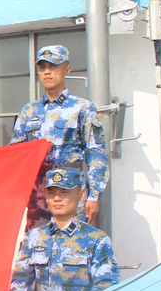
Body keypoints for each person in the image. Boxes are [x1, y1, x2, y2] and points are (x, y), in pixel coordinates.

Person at [9, 45, 109, 232]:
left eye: (53, 66)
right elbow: (15, 154)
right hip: (39, 194)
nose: (47, 72)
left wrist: (95, 195)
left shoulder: (82, 108)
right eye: (42, 67)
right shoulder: (29, 111)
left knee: (72, 250)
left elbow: (96, 154)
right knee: (39, 250)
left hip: (71, 193)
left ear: (67, 70)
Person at [8, 168, 119, 291]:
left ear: (81, 195)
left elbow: (106, 288)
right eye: (51, 193)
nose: (57, 198)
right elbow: (20, 286)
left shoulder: (96, 240)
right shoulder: (33, 238)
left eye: (65, 192)